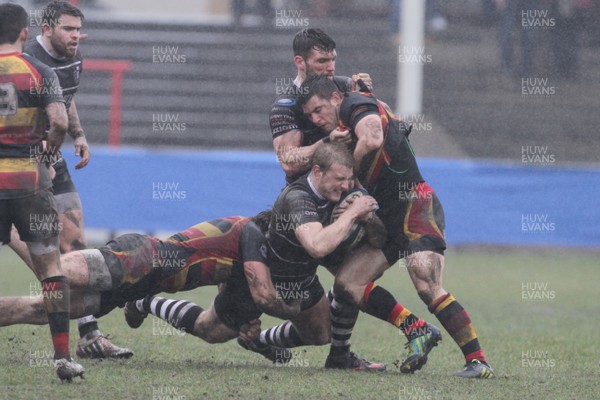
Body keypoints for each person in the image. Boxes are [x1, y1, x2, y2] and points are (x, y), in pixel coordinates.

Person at [263, 28, 441, 373]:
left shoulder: (345, 87)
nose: (329, 67)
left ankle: (346, 353)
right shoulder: (286, 105)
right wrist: (325, 142)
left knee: (348, 277)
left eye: (332, 59)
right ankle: (249, 331)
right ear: (300, 62)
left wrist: (374, 105)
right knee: (291, 298)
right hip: (306, 204)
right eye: (321, 61)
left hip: (345, 196)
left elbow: (394, 125)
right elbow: (287, 160)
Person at [297, 75, 495, 378]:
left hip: (415, 207)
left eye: (318, 109)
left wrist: (355, 180)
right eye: (310, 115)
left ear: (336, 99)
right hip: (386, 218)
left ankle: (479, 362)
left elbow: (374, 138)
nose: (316, 118)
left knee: (427, 285)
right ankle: (419, 331)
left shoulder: (355, 103)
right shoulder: (349, 118)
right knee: (348, 284)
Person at [7, 0, 132, 359]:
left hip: (53, 154)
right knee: (45, 252)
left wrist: (79, 135)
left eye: (78, 29)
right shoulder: (28, 61)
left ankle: (89, 335)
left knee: (75, 239)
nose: (76, 36)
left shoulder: (72, 58)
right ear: (46, 30)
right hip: (25, 159)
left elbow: (65, 101)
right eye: (68, 29)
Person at [0, 216, 300, 357]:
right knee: (58, 270)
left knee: (43, 310)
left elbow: (227, 298)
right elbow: (263, 295)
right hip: (139, 258)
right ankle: (9, 225)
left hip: (136, 289)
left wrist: (248, 332)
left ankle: (146, 303)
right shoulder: (249, 232)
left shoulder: (244, 258)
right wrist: (297, 313)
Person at [0, 3, 84, 382]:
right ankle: (64, 357)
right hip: (30, 182)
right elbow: (60, 121)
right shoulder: (40, 71)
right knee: (51, 267)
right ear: (23, 34)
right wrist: (45, 153)